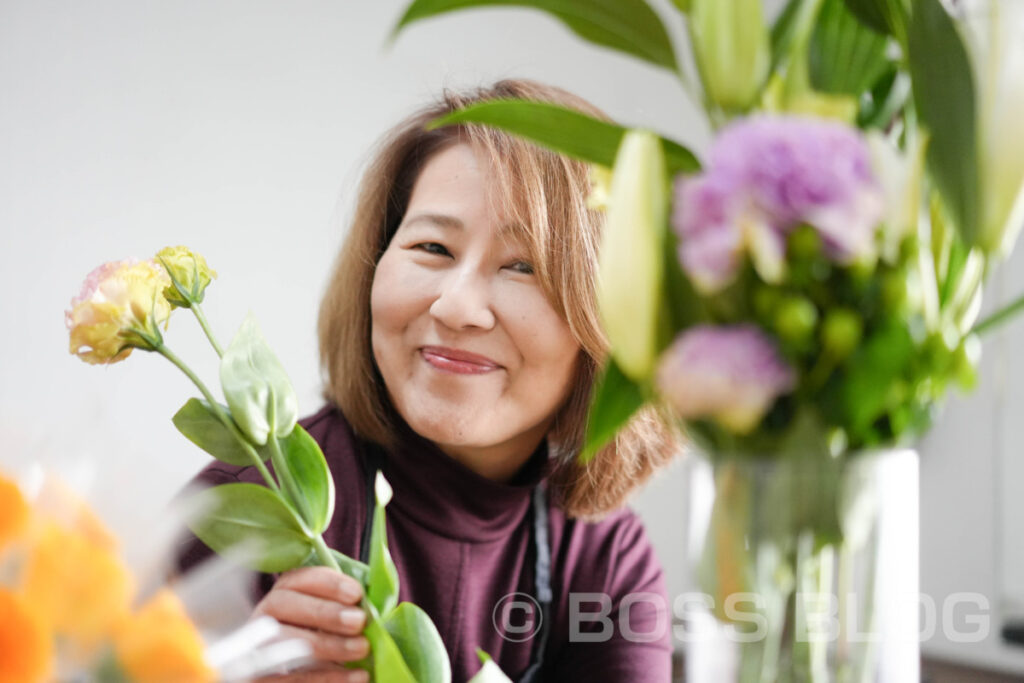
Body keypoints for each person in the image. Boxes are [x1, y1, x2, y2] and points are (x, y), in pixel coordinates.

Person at [177, 79, 682, 682]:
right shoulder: (246, 505)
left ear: (611, 324)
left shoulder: (604, 558)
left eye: (523, 266)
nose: (456, 306)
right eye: (434, 247)